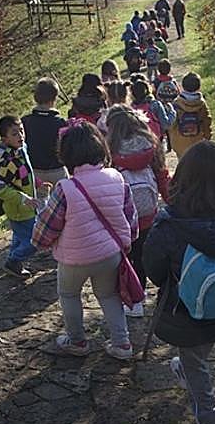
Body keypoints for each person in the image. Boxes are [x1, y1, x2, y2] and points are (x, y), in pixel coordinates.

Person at [143, 141, 215, 424]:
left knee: (194, 361)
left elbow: (154, 269)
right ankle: (187, 366)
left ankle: (210, 417)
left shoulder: (170, 224)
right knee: (198, 352)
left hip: (184, 311)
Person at [32, 119, 139, 360]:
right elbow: (130, 217)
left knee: (69, 295)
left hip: (74, 259)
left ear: (66, 154)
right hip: (110, 254)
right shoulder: (116, 177)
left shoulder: (65, 188)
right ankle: (122, 344)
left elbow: (48, 228)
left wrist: (40, 242)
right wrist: (127, 242)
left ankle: (77, 341)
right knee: (109, 296)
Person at [106, 105, 171, 317]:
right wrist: (171, 201)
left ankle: (128, 297)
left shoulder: (111, 149)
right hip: (148, 212)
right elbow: (162, 176)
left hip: (122, 215)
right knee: (142, 255)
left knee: (126, 257)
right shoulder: (151, 144)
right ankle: (144, 294)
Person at [0, 116, 40, 278]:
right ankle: (14, 261)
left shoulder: (21, 150)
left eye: (21, 131)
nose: (20, 135)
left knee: (20, 237)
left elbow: (24, 173)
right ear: (5, 139)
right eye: (14, 133)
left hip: (24, 208)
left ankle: (14, 263)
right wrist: (23, 198)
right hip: (20, 209)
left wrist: (36, 182)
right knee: (35, 240)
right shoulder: (8, 161)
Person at [21, 77, 68, 186]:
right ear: (54, 98)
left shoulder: (25, 121)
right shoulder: (60, 123)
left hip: (34, 173)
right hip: (57, 172)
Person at [172, 72, 212, 158]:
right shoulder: (201, 104)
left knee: (183, 163)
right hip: (197, 141)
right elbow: (207, 121)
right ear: (199, 87)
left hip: (180, 142)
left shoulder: (177, 103)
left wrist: (173, 141)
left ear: (182, 86)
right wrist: (207, 137)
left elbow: (172, 123)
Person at [129, 77, 173, 142]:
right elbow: (165, 125)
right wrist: (172, 112)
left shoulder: (130, 108)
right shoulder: (155, 104)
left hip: (140, 141)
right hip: (156, 139)